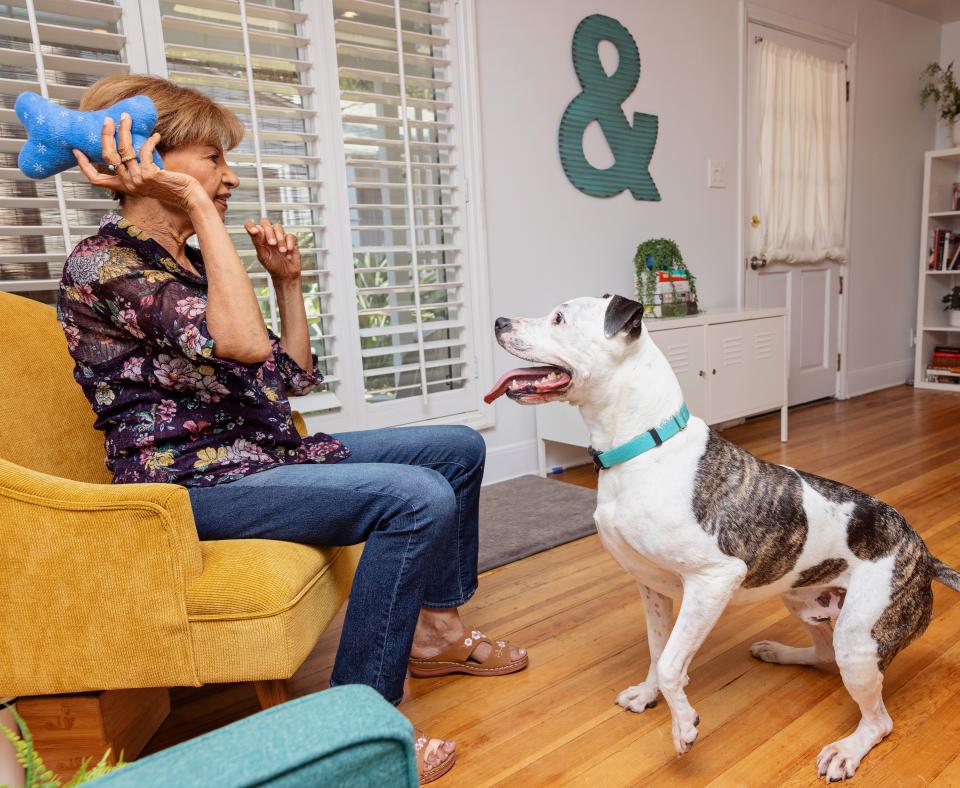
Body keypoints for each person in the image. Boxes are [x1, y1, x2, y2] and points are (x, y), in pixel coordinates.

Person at [56, 74, 526, 783]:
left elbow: (283, 378)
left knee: (456, 448)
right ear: (154, 158)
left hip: (262, 451)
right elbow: (243, 346)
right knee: (415, 497)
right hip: (189, 480)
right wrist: (195, 209)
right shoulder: (105, 263)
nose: (230, 178)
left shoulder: (187, 259)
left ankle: (437, 635)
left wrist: (287, 283)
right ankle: (358, 722)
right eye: (213, 161)